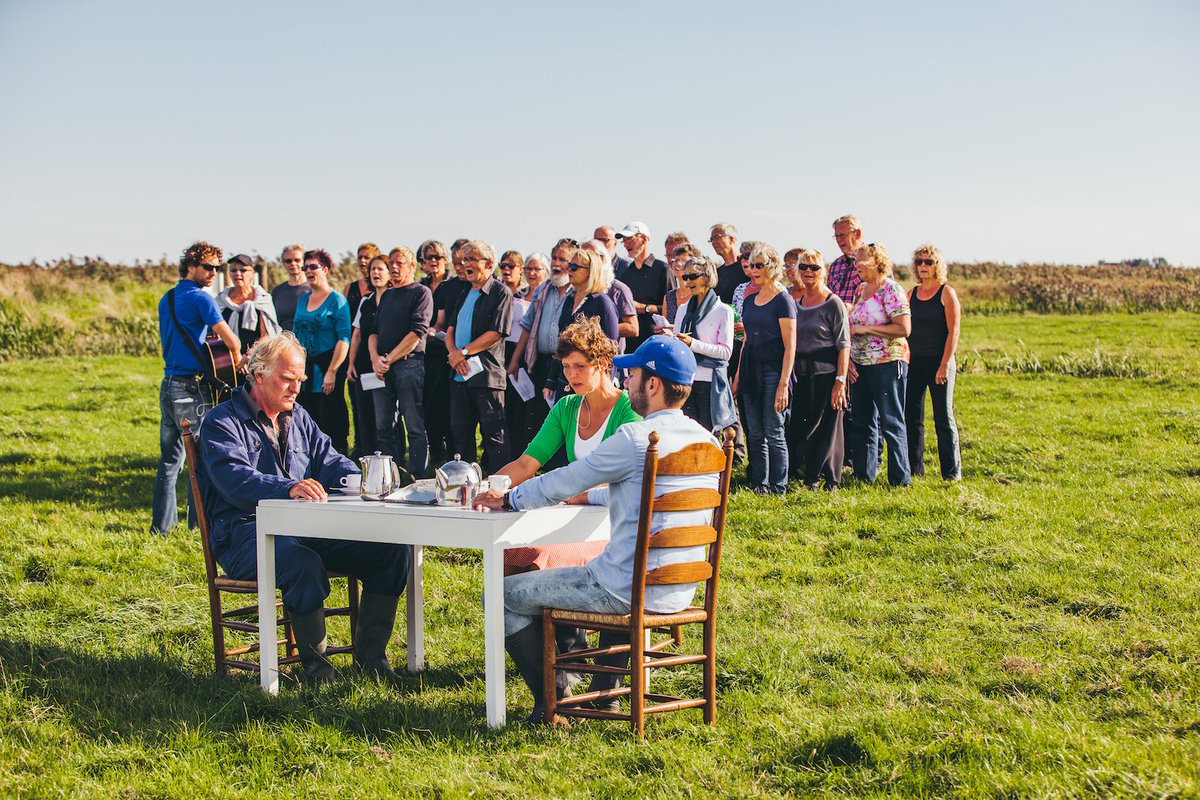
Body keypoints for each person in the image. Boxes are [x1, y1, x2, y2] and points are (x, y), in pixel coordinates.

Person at [473, 335, 719, 724]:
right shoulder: (707, 442)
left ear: (652, 384)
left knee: (498, 595)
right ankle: (590, 692)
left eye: (634, 373)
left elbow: (565, 479)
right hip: (679, 589)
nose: (628, 379)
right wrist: (589, 500)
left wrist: (509, 500)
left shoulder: (636, 439)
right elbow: (645, 493)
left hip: (620, 588)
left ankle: (554, 700)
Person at [196, 332, 412, 684]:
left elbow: (331, 462)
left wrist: (365, 480)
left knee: (391, 551)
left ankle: (371, 660)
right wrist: (289, 487)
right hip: (242, 536)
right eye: (287, 379)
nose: (295, 388)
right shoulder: (222, 422)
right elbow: (235, 480)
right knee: (301, 562)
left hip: (304, 528)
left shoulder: (298, 416)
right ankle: (318, 671)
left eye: (299, 380)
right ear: (258, 374)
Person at [493, 317, 641, 575]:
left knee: (538, 556)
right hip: (571, 513)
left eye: (580, 366)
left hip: (612, 522)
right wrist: (488, 487)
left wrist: (573, 494)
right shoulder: (566, 407)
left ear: (604, 363)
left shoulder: (628, 409)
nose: (572, 375)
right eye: (566, 367)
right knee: (509, 551)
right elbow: (527, 463)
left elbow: (621, 478)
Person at [152, 241, 241, 534]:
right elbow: (231, 341)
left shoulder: (167, 298)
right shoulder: (203, 299)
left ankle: (161, 528)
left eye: (218, 267)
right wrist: (237, 364)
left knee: (169, 462)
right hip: (190, 389)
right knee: (199, 460)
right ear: (191, 266)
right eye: (209, 267)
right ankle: (197, 526)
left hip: (168, 384)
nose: (214, 273)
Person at [445, 240, 514, 472]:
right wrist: (454, 355)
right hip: (459, 375)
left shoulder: (500, 292)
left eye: (473, 259)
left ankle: (500, 485)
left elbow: (496, 332)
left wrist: (463, 353)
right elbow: (451, 329)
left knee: (494, 435)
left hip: (486, 376)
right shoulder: (464, 292)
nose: (466, 264)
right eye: (465, 260)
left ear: (489, 263)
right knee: (461, 434)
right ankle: (464, 483)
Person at [784, 249, 850, 489]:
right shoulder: (796, 304)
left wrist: (840, 381)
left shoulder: (833, 303)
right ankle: (800, 471)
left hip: (827, 375)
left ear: (824, 271)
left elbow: (844, 344)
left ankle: (820, 478)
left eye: (814, 268)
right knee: (800, 426)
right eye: (804, 267)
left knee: (825, 429)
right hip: (800, 375)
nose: (808, 272)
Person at [847, 242, 912, 486]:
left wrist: (866, 328)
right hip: (861, 363)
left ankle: (899, 478)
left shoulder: (891, 289)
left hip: (887, 362)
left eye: (861, 262)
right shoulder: (860, 290)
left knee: (891, 420)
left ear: (877, 262)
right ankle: (864, 475)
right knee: (862, 420)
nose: (857, 267)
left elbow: (904, 328)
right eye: (855, 262)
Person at [734, 243, 796, 494]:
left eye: (759, 265)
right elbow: (747, 340)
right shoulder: (749, 300)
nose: (753, 269)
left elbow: (790, 346)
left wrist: (783, 384)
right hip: (750, 368)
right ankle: (759, 482)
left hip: (773, 370)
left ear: (772, 267)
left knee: (773, 429)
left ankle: (778, 485)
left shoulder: (784, 301)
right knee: (755, 431)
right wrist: (738, 374)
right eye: (751, 264)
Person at [369, 249, 433, 477]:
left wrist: (390, 358)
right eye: (391, 263)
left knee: (414, 424)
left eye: (400, 263)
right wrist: (376, 359)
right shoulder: (386, 295)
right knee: (383, 425)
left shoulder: (421, 292)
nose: (394, 267)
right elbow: (373, 333)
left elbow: (417, 333)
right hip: (382, 369)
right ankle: (390, 475)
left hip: (408, 365)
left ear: (412, 266)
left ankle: (418, 477)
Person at [509, 246, 572, 463]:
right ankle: (536, 465)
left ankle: (557, 465)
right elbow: (527, 327)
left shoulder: (577, 290)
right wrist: (515, 361)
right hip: (539, 362)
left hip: (565, 364)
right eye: (553, 258)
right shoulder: (544, 288)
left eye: (561, 259)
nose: (556, 263)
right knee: (536, 416)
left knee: (560, 415)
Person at [905, 243, 962, 480]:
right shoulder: (911, 294)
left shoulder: (946, 293)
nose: (923, 266)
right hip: (914, 364)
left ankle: (951, 473)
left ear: (937, 265)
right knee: (913, 418)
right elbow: (905, 331)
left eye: (928, 262)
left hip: (940, 363)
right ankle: (914, 470)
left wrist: (944, 364)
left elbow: (954, 331)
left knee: (943, 418)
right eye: (919, 262)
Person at [293, 249, 352, 456]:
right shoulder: (303, 299)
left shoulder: (337, 301)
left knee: (330, 416)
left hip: (327, 366)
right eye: (305, 267)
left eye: (313, 266)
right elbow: (296, 333)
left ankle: (336, 459)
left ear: (325, 269)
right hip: (305, 369)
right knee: (306, 417)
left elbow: (344, 338)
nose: (308, 271)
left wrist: (332, 371)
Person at [672, 255, 735, 434]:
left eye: (693, 277)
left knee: (708, 436)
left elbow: (725, 352)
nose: (688, 281)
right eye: (685, 277)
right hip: (685, 380)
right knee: (686, 436)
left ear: (707, 278)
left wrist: (693, 343)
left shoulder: (723, 311)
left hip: (710, 382)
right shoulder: (683, 309)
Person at [546, 247, 619, 399]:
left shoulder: (602, 302)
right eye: (569, 265)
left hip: (592, 382)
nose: (568, 269)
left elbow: (611, 346)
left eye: (574, 267)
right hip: (566, 379)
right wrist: (550, 381)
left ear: (591, 271)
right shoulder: (568, 300)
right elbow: (561, 344)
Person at [422, 240, 463, 466]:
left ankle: (454, 456)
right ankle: (437, 456)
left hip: (448, 351)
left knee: (449, 409)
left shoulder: (453, 284)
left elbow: (444, 322)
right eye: (428, 257)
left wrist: (436, 331)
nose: (433, 261)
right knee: (430, 407)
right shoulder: (423, 285)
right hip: (426, 354)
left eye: (437, 256)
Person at [346, 256, 391, 458]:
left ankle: (390, 461)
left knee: (386, 419)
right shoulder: (365, 302)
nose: (375, 273)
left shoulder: (394, 298)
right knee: (364, 413)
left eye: (380, 269)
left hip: (387, 365)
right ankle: (367, 459)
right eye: (373, 269)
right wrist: (351, 363)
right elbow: (356, 334)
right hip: (365, 364)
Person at [614, 221, 668, 352]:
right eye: (624, 241)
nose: (626, 244)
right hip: (630, 346)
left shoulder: (663, 269)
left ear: (644, 239)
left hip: (654, 344)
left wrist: (645, 308)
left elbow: (673, 309)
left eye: (629, 239)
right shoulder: (626, 273)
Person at [500, 251, 532, 455]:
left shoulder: (526, 294)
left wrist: (516, 359)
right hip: (498, 348)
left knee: (517, 404)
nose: (506, 270)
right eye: (503, 265)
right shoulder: (496, 291)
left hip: (519, 350)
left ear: (521, 269)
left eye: (511, 266)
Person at [217, 254, 280, 355]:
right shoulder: (221, 300)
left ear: (252, 273)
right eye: (233, 270)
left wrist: (248, 356)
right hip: (226, 361)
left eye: (243, 270)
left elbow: (266, 335)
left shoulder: (262, 300)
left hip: (256, 359)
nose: (237, 273)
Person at [827, 215, 865, 305]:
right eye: (836, 236)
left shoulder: (875, 261)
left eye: (842, 235)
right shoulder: (835, 266)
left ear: (857, 234)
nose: (839, 240)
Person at [270, 244, 308, 331]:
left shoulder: (312, 290)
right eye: (288, 261)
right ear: (283, 264)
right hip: (284, 341)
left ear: (304, 262)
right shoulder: (277, 291)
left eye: (297, 260)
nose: (293, 263)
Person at [662, 242, 701, 326]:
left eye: (684, 260)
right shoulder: (668, 297)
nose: (678, 264)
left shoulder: (699, 295)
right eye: (676, 260)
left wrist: (676, 329)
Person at [709, 222, 743, 304]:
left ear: (731, 239)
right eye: (711, 239)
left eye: (717, 237)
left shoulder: (748, 267)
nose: (713, 242)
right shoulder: (716, 274)